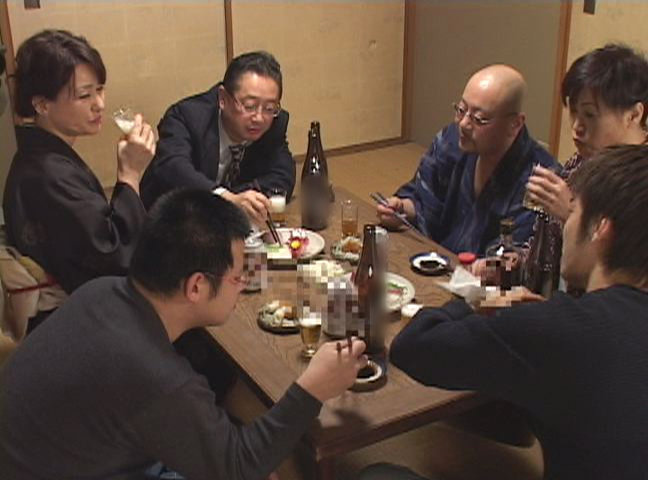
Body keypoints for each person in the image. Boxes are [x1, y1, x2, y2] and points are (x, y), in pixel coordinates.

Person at [0, 189, 368, 479]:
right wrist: (313, 388)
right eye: (238, 276)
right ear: (196, 286)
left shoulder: (103, 291)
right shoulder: (156, 377)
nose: (242, 284)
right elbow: (238, 467)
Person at [370, 145, 648, 479]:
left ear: (601, 231)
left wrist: (480, 301)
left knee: (377, 475)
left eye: (572, 212)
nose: (565, 226)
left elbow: (412, 347)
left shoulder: (561, 328)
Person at [2, 29, 155, 300]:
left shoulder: (42, 156)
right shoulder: (48, 175)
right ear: (42, 105)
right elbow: (116, 257)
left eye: (100, 89)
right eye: (84, 96)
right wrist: (130, 173)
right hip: (80, 310)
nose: (99, 104)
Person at [376, 64, 558, 255]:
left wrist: (490, 265)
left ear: (515, 124)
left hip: (482, 273)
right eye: (461, 110)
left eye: (479, 119)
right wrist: (403, 210)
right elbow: (424, 199)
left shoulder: (540, 180)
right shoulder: (451, 141)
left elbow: (519, 256)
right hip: (434, 261)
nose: (463, 124)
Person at [523, 44, 648, 295]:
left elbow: (625, 279)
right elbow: (543, 249)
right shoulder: (578, 164)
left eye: (590, 115)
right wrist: (515, 260)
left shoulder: (640, 182)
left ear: (634, 115)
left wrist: (572, 215)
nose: (577, 128)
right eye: (574, 113)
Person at [140, 51, 294, 226]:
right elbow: (174, 169)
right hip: (170, 223)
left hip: (225, 229)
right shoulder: (186, 117)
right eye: (250, 106)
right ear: (223, 99)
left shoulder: (274, 124)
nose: (259, 118)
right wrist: (226, 199)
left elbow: (282, 178)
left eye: (269, 108)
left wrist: (239, 201)